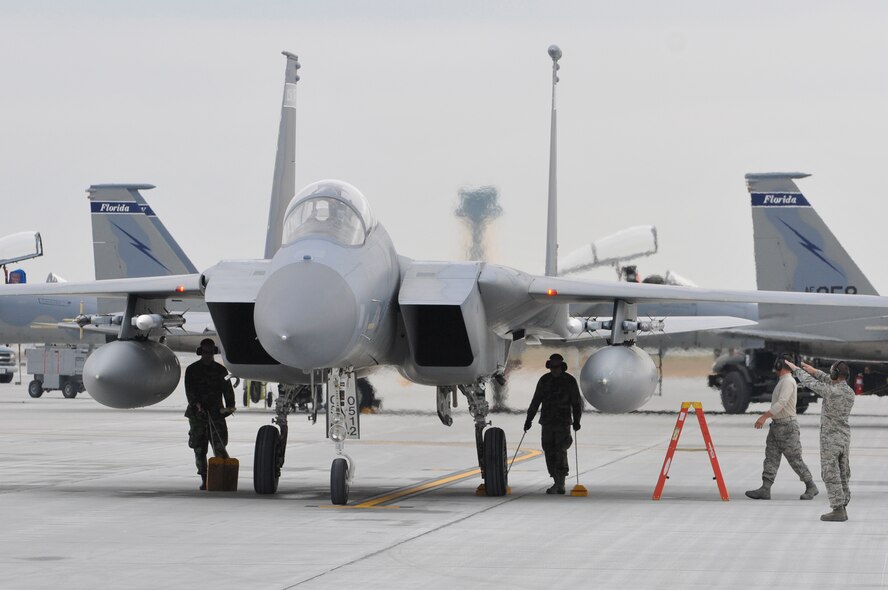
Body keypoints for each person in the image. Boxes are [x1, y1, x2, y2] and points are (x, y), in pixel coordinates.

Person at [785, 359, 855, 522]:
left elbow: (811, 383)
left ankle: (838, 510)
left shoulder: (832, 392)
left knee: (830, 473)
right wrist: (814, 371)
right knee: (843, 473)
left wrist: (797, 370)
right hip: (844, 438)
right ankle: (843, 504)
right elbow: (829, 380)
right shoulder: (848, 391)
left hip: (831, 439)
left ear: (835, 374)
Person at [745, 355, 819, 501]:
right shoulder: (783, 381)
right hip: (777, 426)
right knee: (771, 457)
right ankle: (765, 488)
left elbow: (782, 403)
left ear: (780, 365)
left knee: (795, 459)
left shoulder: (788, 382)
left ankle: (811, 486)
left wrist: (764, 416)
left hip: (787, 427)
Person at [524, 353, 584, 494]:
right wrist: (529, 419)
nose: (554, 370)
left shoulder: (569, 381)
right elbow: (536, 401)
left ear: (562, 367)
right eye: (552, 367)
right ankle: (556, 480)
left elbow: (576, 403)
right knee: (548, 450)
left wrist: (577, 421)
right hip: (547, 422)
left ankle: (560, 483)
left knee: (560, 450)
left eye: (557, 367)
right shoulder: (544, 380)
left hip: (563, 423)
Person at [184, 338, 236, 490]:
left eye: (210, 352)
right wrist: (196, 404)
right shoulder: (192, 370)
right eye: (205, 352)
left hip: (216, 414)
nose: (208, 355)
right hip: (198, 416)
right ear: (201, 352)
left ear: (214, 352)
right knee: (199, 449)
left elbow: (228, 390)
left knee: (220, 447)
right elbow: (189, 391)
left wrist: (230, 406)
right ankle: (204, 478)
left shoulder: (221, 370)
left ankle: (220, 477)